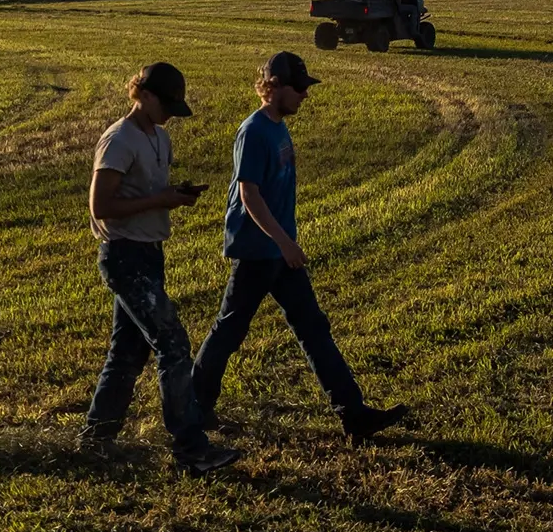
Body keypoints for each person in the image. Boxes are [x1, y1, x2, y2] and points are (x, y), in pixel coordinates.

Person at [191, 51, 408, 444]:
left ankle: (354, 414)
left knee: (313, 329)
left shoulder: (277, 126)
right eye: (299, 88)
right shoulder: (254, 131)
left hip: (279, 251)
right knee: (229, 331)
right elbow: (249, 194)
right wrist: (284, 242)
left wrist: (286, 244)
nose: (305, 96)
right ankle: (193, 408)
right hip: (258, 251)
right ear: (274, 88)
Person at [80, 62, 239, 474]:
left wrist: (174, 194)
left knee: (127, 353)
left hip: (149, 254)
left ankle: (95, 441)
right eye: (166, 104)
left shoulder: (159, 137)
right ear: (143, 96)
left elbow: (148, 191)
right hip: (123, 255)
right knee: (172, 343)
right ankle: (190, 447)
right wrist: (161, 201)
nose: (171, 114)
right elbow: (101, 207)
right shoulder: (118, 140)